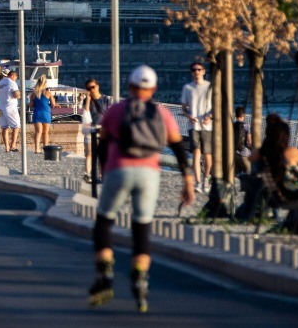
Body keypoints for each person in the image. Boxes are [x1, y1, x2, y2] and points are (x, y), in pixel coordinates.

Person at [89, 65, 193, 313]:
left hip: (118, 169)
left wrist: (104, 172)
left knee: (104, 220)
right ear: (154, 89)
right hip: (149, 174)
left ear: (130, 86)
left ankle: (105, 272)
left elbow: (102, 145)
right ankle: (140, 276)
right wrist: (187, 181)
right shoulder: (162, 114)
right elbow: (179, 149)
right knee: (141, 226)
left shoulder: (115, 111)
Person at [181, 62, 213, 193]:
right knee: (195, 155)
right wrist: (189, 116)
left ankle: (206, 178)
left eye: (199, 70)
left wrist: (209, 116)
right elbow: (184, 108)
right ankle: (198, 183)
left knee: (207, 155)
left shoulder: (209, 87)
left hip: (207, 126)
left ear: (204, 71)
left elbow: (215, 106)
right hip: (193, 125)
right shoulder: (187, 88)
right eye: (194, 70)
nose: (197, 72)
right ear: (191, 72)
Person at [84, 78, 112, 180]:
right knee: (89, 153)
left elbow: (109, 113)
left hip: (103, 130)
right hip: (90, 129)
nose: (91, 89)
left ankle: (101, 175)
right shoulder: (87, 100)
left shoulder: (105, 99)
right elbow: (86, 112)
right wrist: (87, 100)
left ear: (98, 86)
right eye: (89, 88)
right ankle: (88, 174)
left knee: (102, 155)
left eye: (93, 87)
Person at [0, 69, 22, 152]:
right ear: (13, 76)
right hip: (10, 107)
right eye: (15, 78)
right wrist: (19, 94)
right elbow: (16, 95)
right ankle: (13, 145)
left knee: (4, 127)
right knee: (16, 126)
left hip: (1, 107)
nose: (15, 79)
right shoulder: (12, 83)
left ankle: (7, 147)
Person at [29, 76, 55, 153]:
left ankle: (37, 149)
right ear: (45, 84)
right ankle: (45, 149)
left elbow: (30, 105)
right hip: (46, 113)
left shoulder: (33, 94)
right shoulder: (48, 93)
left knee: (38, 132)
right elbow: (53, 104)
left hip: (37, 113)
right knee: (45, 132)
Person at [232, 106, 252, 175]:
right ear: (243, 115)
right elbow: (249, 141)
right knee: (249, 174)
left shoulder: (232, 125)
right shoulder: (246, 125)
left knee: (235, 175)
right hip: (245, 154)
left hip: (234, 154)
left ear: (235, 114)